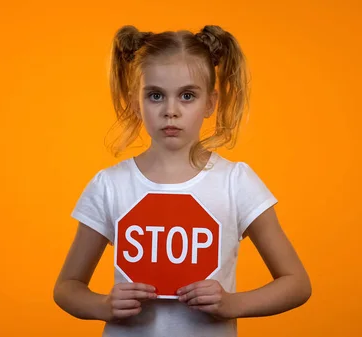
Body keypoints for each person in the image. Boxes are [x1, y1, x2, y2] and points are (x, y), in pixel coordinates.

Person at [53, 24, 312, 337]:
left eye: (187, 95)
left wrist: (233, 304)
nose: (170, 111)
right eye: (156, 95)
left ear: (210, 103)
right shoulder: (110, 185)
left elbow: (296, 283)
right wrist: (103, 306)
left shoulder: (235, 182)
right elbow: (67, 287)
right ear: (136, 102)